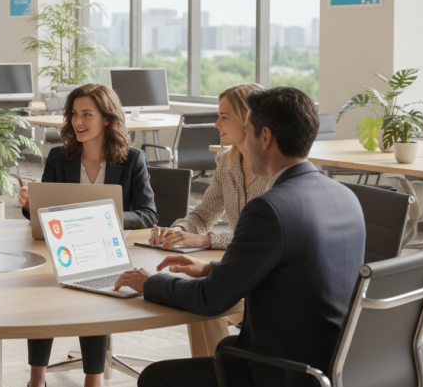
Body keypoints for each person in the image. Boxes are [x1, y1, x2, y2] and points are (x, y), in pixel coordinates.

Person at [115, 87, 366, 387]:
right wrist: (210, 268)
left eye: (247, 131)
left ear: (265, 137)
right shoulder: (346, 197)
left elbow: (211, 300)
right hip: (336, 362)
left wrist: (149, 282)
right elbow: (291, 267)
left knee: (155, 378)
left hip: (286, 372)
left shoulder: (270, 208)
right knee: (224, 350)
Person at [17, 83, 158, 387]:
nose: (77, 122)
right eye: (73, 114)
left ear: (107, 118)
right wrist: (29, 205)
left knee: (94, 289)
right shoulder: (59, 157)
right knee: (42, 293)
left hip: (104, 249)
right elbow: (41, 215)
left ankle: (92, 380)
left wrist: (107, 220)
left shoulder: (132, 159)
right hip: (60, 247)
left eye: (86, 115)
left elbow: (148, 214)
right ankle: (36, 379)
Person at [146, 83, 267, 356]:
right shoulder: (226, 161)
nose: (216, 124)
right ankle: (210, 372)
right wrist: (176, 230)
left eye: (224, 117)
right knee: (197, 295)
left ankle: (218, 373)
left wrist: (206, 239)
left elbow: (263, 240)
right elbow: (204, 214)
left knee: (204, 298)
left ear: (248, 120)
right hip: (238, 267)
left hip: (264, 277)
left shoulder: (274, 168)